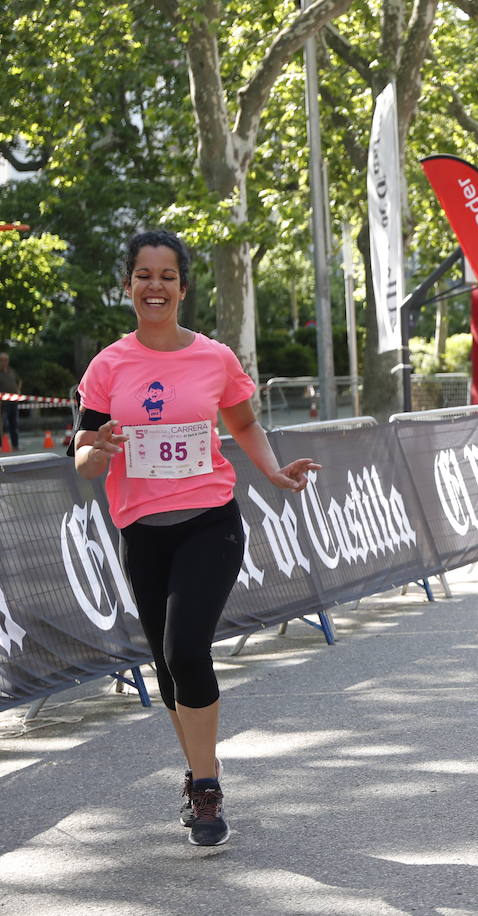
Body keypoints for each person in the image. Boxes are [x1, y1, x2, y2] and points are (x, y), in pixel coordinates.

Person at [71, 230, 320, 846]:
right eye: (143, 275)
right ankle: (199, 775)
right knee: (165, 666)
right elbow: (83, 458)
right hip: (141, 531)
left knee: (186, 651)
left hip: (210, 520)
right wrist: (94, 450)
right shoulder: (108, 366)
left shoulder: (213, 358)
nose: (155, 286)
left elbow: (244, 422)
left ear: (183, 287)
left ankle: (205, 789)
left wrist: (272, 471)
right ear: (128, 285)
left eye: (167, 275)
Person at [0, 352, 19, 450]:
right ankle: (1, 445)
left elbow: (18, 381)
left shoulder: (11, 371)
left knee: (14, 424)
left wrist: (18, 392)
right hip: (3, 403)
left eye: (6, 360)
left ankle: (15, 445)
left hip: (13, 402)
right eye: (2, 360)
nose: (4, 362)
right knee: (2, 425)